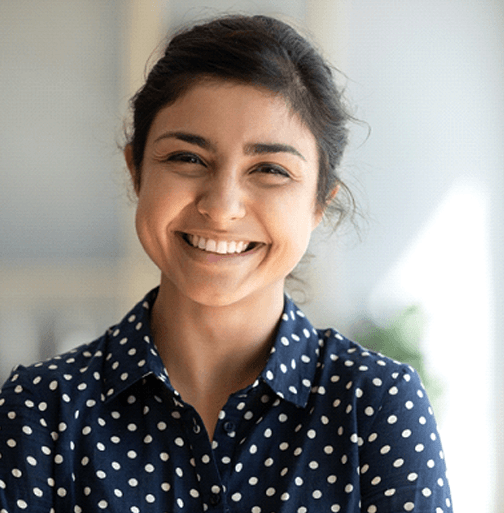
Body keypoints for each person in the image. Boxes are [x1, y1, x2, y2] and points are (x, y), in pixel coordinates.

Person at [0, 14, 452, 513]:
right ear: (136, 171)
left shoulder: (378, 406)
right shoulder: (41, 409)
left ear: (320, 203)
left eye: (270, 170)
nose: (221, 206)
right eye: (188, 159)